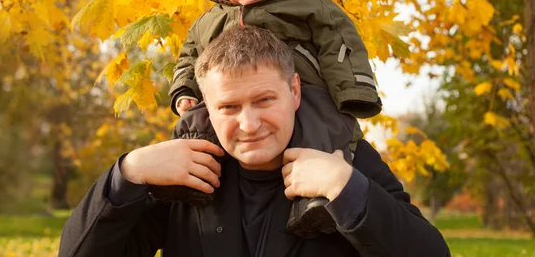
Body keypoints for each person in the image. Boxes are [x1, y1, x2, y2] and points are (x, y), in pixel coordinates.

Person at [59, 26, 450, 257]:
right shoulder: (178, 172)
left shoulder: (345, 158)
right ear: (207, 108)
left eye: (264, 100)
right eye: (228, 106)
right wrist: (128, 174)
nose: (249, 124)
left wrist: (346, 189)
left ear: (294, 91)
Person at [167, 0, 382, 235]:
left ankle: (315, 202)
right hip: (229, 94)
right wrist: (184, 90)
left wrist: (352, 89)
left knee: (323, 129)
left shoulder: (304, 1)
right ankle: (192, 179)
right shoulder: (209, 20)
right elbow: (190, 55)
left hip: (304, 90)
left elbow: (338, 41)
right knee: (196, 122)